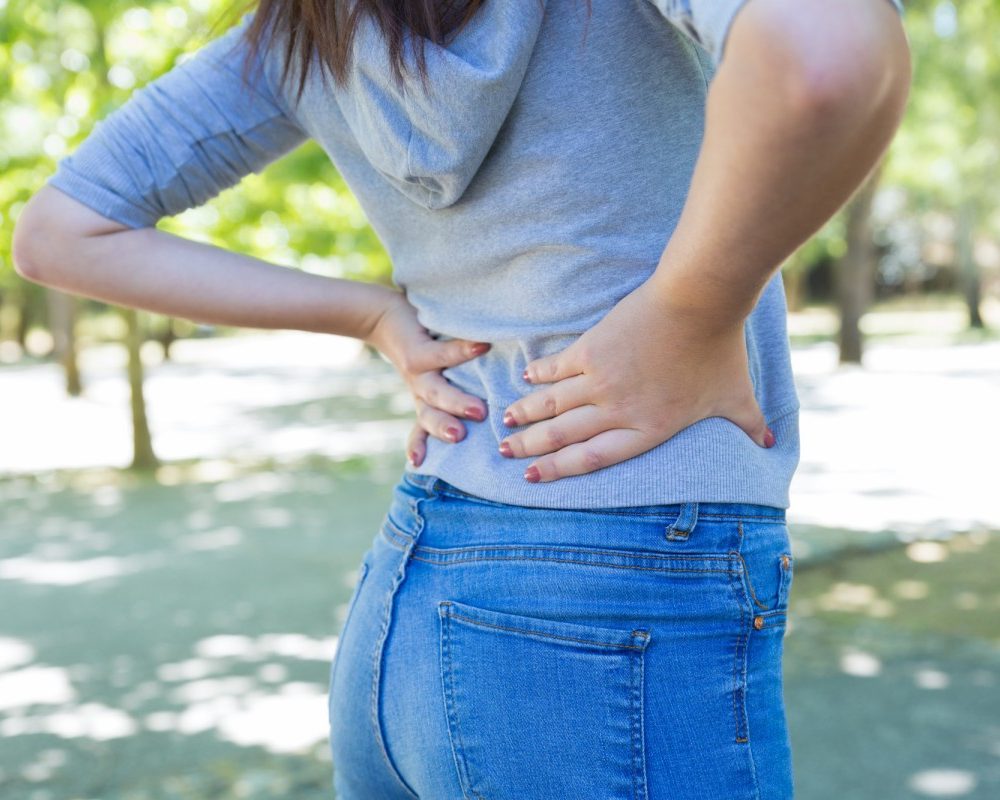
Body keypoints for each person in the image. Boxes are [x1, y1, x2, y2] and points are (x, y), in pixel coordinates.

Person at [13, 0, 910, 797]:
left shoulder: (304, 28)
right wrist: (691, 312)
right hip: (621, 586)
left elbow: (61, 233)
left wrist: (369, 314)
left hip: (405, 602)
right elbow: (825, 50)